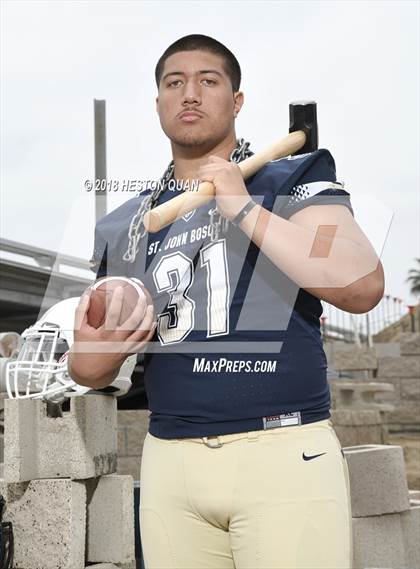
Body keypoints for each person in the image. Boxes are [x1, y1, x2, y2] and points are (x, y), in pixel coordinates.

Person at [69, 34, 384, 569]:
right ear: (159, 104)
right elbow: (89, 369)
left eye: (208, 81)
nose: (190, 93)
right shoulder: (127, 221)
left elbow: (360, 283)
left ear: (236, 101)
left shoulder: (293, 175)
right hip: (170, 460)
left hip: (282, 450)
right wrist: (100, 349)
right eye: (175, 82)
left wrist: (245, 209)